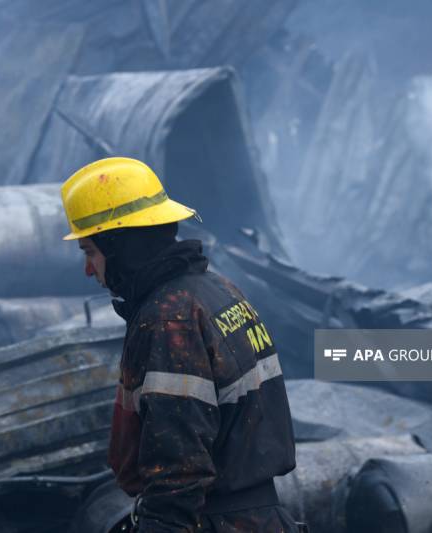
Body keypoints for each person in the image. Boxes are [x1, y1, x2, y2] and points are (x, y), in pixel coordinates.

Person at [61, 157, 299, 532]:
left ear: (120, 246)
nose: (89, 269)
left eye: (90, 252)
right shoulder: (217, 292)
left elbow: (179, 472)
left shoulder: (170, 320)